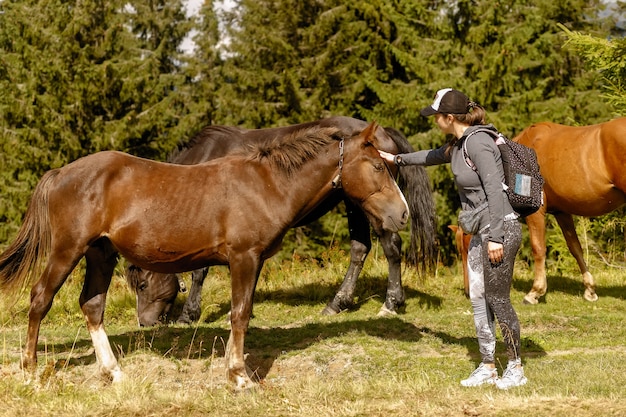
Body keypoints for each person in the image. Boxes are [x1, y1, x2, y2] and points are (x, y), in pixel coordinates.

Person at [378, 88, 527, 390]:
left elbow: (496, 192)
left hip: (501, 229)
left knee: (498, 299)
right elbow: (431, 157)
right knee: (478, 297)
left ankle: (515, 367)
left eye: (436, 116)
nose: (434, 120)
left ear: (449, 117)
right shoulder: (457, 145)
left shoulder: (479, 143)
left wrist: (496, 237)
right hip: (480, 230)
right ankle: (487, 365)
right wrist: (395, 158)